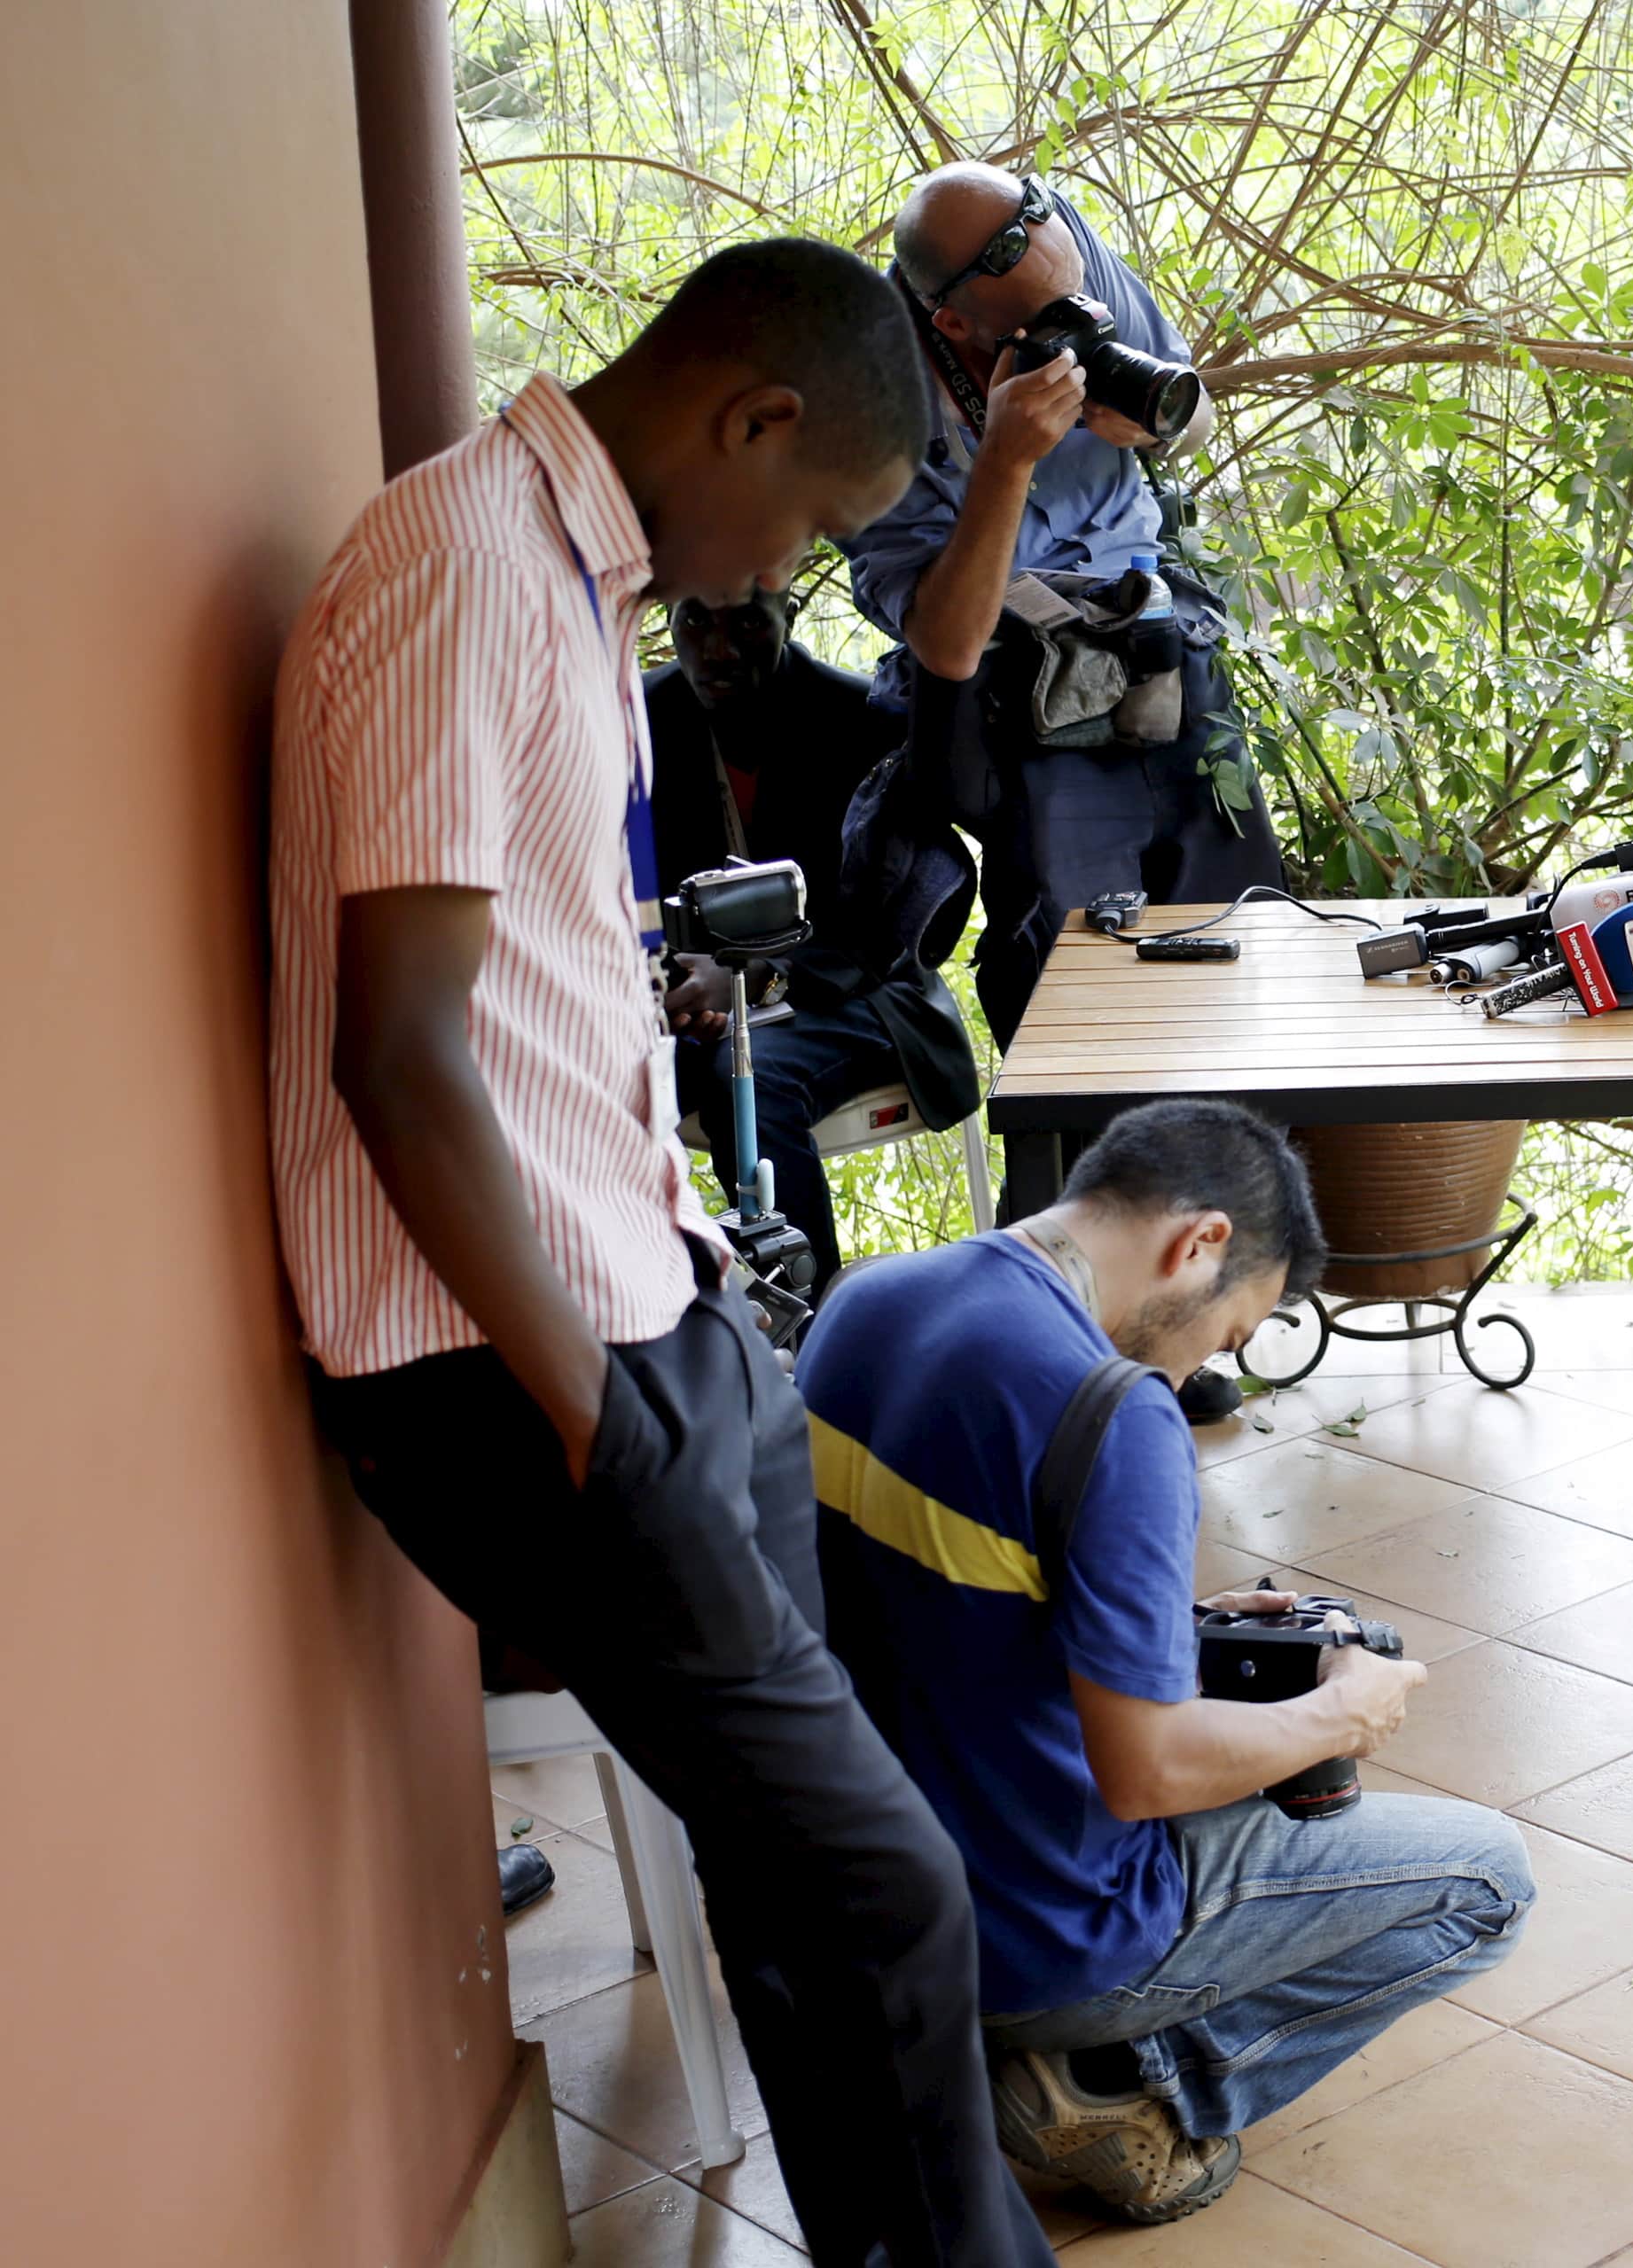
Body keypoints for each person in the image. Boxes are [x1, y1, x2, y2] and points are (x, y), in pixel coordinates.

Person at [270, 238, 1057, 2268]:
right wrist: (598, 1426)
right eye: (815, 520)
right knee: (890, 1883)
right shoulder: (455, 563)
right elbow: (398, 1053)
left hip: (648, 1298)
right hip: (513, 1368)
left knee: (817, 1888)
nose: (782, 570)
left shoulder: (563, 578)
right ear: (754, 416)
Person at [799, 1102, 1532, 2225]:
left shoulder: (868, 1302)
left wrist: (1167, 1620)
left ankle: (1052, 2058)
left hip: (877, 1913)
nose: (1202, 1375)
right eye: (1226, 1336)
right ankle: (1117, 2082)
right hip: (1042, 1930)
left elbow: (941, 1600)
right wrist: (1346, 1713)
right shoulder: (1116, 1417)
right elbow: (1146, 1772)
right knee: (1488, 1878)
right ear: (1198, 1245)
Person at [843, 161, 1283, 1055]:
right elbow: (947, 643)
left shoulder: (1063, 251)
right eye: (1053, 327)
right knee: (1072, 971)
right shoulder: (866, 393)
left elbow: (1192, 414)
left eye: (1081, 302)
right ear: (955, 322)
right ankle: (1090, 1170)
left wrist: (1152, 426)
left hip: (1152, 628)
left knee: (1242, 918)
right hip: (1018, 683)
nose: (1081, 327)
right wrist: (1004, 460)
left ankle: (1238, 1152)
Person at [650, 588, 979, 1284]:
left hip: (853, 991)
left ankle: (811, 1325)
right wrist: (668, 984)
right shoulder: (638, 718)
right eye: (695, 620)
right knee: (599, 1071)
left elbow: (893, 923)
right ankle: (645, 1309)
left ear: (788, 615)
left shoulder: (861, 717)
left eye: (746, 621)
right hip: (682, 993)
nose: (718, 647)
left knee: (749, 1078)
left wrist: (754, 978)